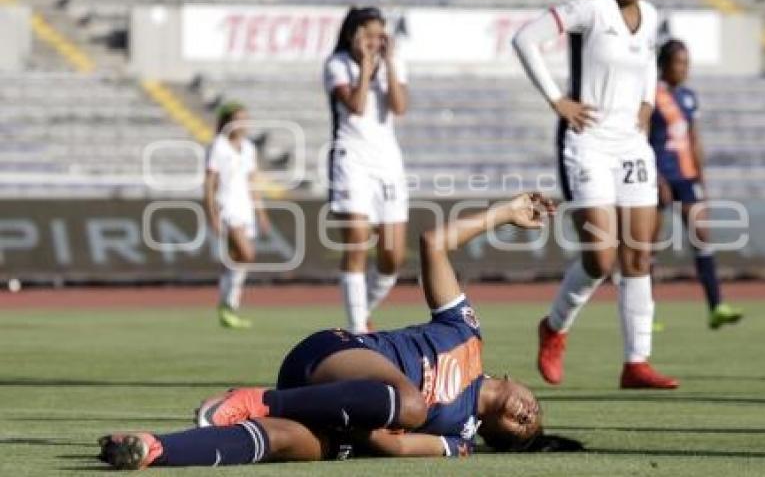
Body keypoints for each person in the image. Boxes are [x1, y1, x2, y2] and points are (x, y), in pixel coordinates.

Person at [97, 193, 584, 469]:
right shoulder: (466, 332)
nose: (525, 414)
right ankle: (262, 399)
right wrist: (503, 214)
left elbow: (391, 445)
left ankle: (148, 448)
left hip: (344, 426)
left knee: (281, 444)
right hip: (329, 355)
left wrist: (358, 430)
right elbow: (433, 243)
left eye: (522, 428)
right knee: (410, 403)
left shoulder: (458, 438)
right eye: (534, 409)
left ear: (496, 437)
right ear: (521, 383)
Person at [512, 0, 678, 389]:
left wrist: (647, 101)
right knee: (601, 258)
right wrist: (556, 100)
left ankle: (636, 362)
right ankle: (554, 328)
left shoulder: (650, 13)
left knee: (640, 254)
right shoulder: (592, 7)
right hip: (587, 141)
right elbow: (525, 39)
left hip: (631, 144)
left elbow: (647, 62)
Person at [324, 6, 409, 334]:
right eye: (369, 35)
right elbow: (356, 106)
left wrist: (387, 63)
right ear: (353, 35)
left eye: (380, 35)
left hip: (387, 163)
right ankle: (357, 329)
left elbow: (399, 107)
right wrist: (364, 66)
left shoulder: (393, 63)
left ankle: (364, 310)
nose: (376, 41)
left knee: (392, 257)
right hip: (351, 159)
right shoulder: (338, 65)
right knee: (358, 240)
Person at [649, 39, 743, 329]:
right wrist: (656, 177)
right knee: (648, 245)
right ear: (664, 65)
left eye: (687, 63)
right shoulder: (650, 96)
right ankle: (646, 316)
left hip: (687, 176)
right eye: (679, 63)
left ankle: (716, 306)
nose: (684, 69)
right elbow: (641, 138)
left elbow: (694, 139)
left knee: (702, 235)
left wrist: (702, 179)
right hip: (658, 177)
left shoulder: (689, 97)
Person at [203, 102, 271, 329]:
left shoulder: (249, 148)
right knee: (246, 253)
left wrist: (260, 212)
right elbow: (210, 183)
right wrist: (211, 213)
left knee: (237, 258)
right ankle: (227, 304)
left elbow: (252, 182)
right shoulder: (218, 146)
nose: (243, 123)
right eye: (238, 118)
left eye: (245, 118)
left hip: (245, 208)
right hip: (226, 206)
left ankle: (229, 306)